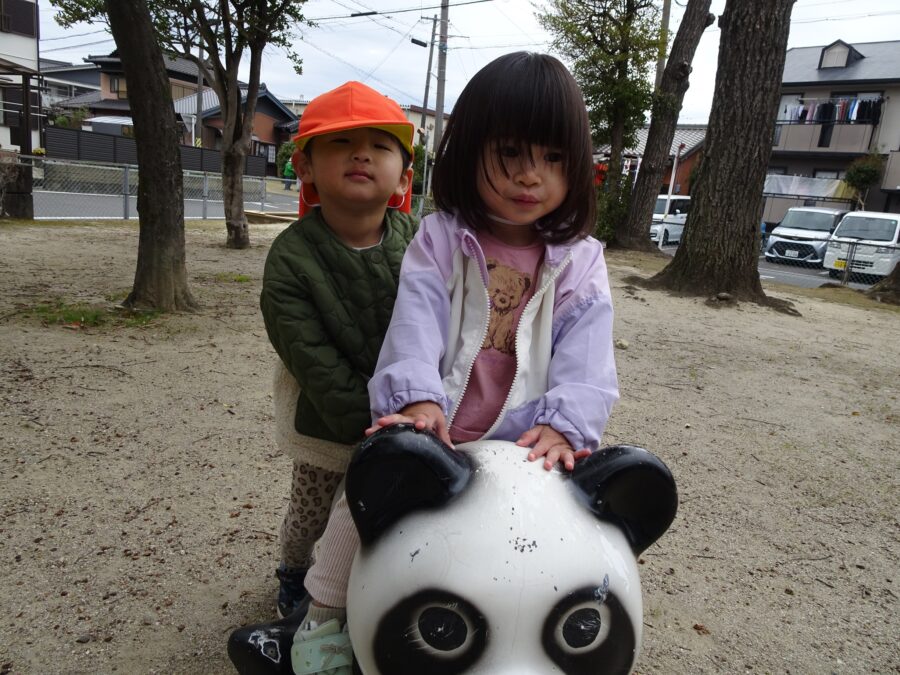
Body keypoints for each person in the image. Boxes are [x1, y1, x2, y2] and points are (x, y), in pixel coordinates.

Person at [298, 51, 619, 665]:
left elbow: (588, 355)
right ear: (470, 150)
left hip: (527, 440)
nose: (531, 176)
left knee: (554, 538)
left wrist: (566, 424)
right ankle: (322, 620)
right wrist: (416, 397)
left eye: (554, 158)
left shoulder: (580, 260)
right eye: (511, 153)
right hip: (439, 426)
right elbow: (414, 319)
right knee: (357, 505)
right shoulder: (442, 237)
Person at [258, 80, 416, 625]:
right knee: (314, 509)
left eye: (380, 145)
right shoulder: (291, 258)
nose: (361, 154)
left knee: (397, 510)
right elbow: (311, 357)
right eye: (341, 142)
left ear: (404, 176)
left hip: (409, 414)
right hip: (327, 421)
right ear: (305, 167)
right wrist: (374, 424)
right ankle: (293, 571)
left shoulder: (421, 242)